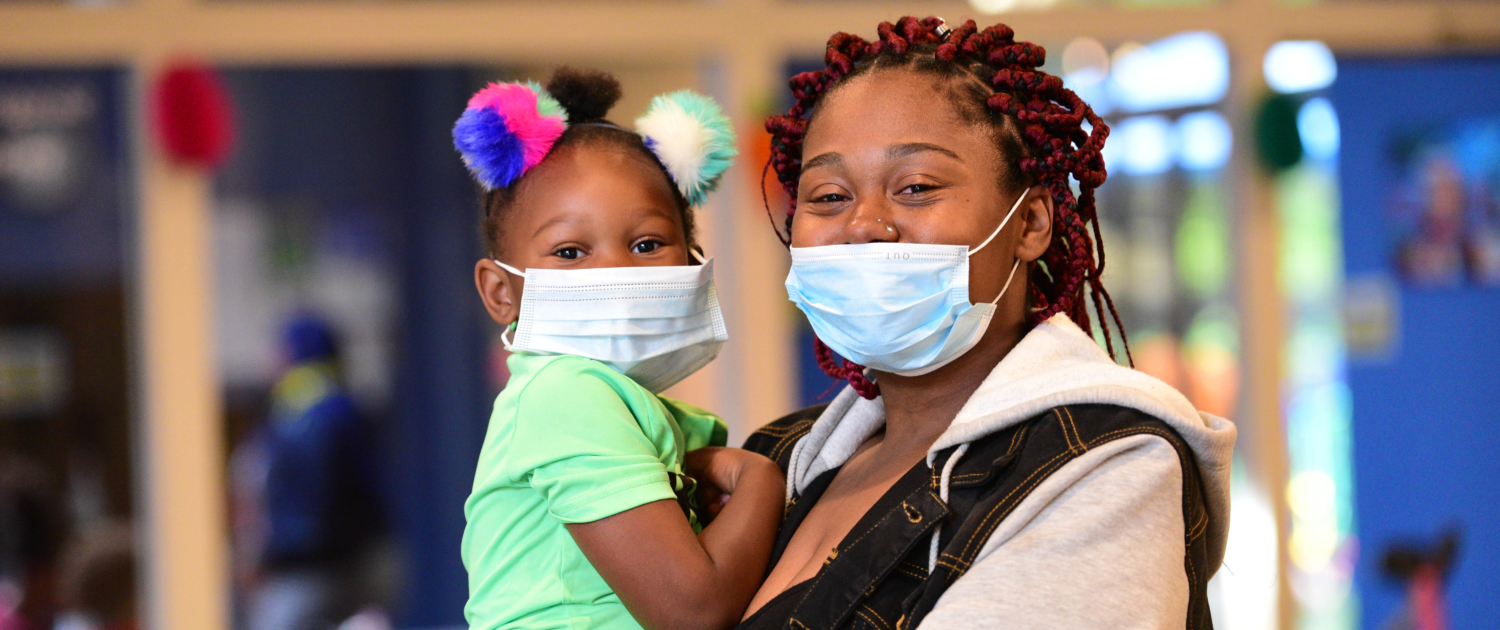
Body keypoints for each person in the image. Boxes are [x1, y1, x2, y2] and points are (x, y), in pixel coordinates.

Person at [739, 17, 1237, 629]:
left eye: (916, 187)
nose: (864, 223)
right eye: (828, 196)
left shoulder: (1104, 463)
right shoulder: (775, 461)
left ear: (1029, 225)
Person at [457, 68, 785, 630]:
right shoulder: (567, 395)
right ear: (501, 290)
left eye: (646, 243)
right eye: (570, 251)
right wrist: (763, 480)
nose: (614, 271)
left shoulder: (624, 405)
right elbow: (695, 610)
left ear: (692, 257)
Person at [236, 315, 387, 630]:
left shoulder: (302, 412)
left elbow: (307, 500)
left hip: (311, 569)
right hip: (349, 561)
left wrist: (268, 554)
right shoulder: (341, 405)